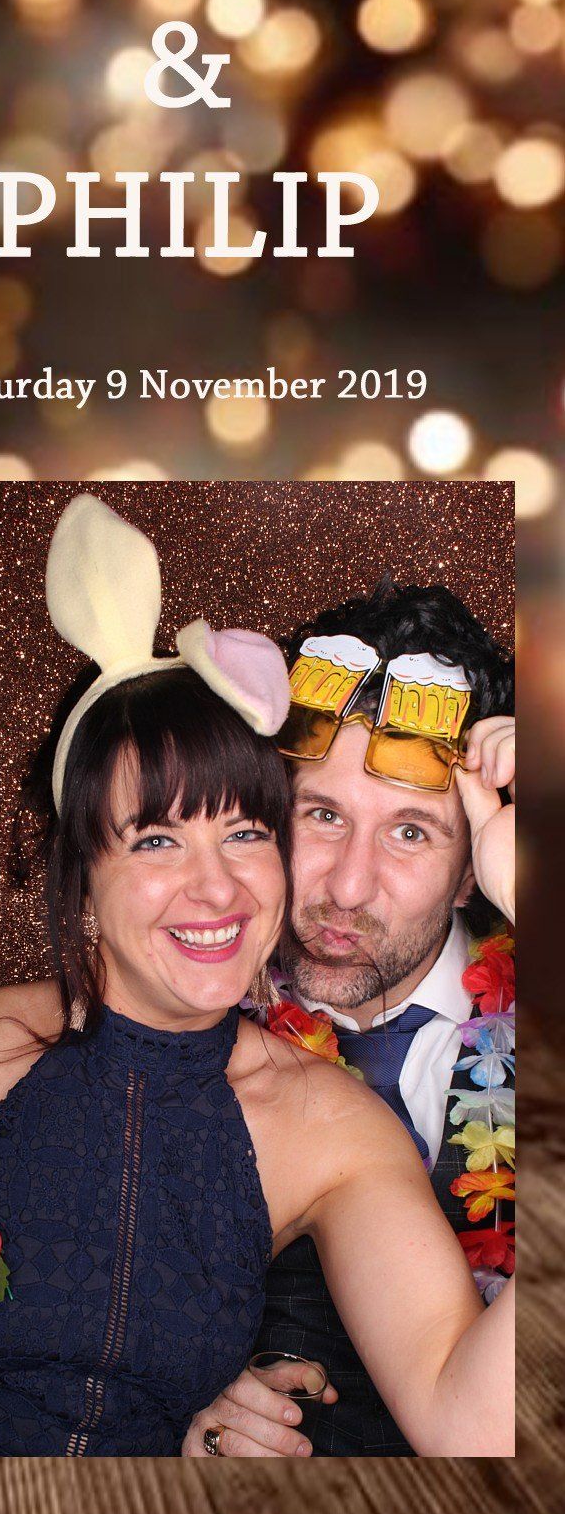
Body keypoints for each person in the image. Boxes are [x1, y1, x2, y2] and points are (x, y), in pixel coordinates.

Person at [0, 495, 513, 1457]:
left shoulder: (333, 1126)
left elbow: (473, 1422)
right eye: (159, 838)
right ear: (82, 869)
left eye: (246, 833)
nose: (218, 889)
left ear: (471, 871)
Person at [182, 580, 515, 1459]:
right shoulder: (172, 1022)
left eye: (410, 832)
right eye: (321, 815)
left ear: (478, 862)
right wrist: (163, 1388)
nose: (348, 885)